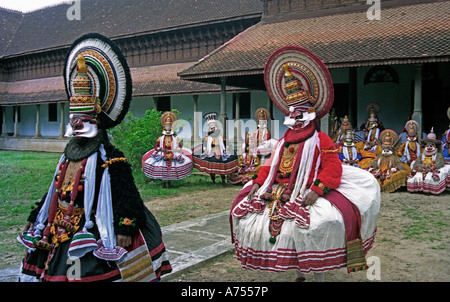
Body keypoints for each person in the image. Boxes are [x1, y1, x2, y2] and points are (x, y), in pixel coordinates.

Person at [17, 33, 172, 282]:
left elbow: (127, 193)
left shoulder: (111, 158)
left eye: (82, 122)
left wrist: (126, 226)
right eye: (73, 122)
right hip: (60, 226)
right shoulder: (67, 156)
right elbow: (56, 190)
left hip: (97, 227)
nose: (76, 127)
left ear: (96, 122)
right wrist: (35, 217)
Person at [231, 46, 380, 282]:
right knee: (261, 222)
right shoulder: (282, 142)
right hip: (278, 191)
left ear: (310, 114)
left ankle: (317, 278)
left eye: (301, 114)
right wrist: (257, 184)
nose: (296, 120)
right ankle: (300, 275)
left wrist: (317, 189)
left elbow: (333, 169)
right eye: (293, 115)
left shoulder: (321, 139)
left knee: (314, 229)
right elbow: (270, 167)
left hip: (309, 190)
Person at [142, 111, 193, 187]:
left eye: (169, 127)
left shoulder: (175, 138)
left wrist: (177, 149)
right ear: (164, 127)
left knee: (170, 169)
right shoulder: (160, 138)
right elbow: (156, 147)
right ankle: (163, 183)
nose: (168, 128)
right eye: (167, 127)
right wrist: (160, 149)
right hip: (163, 153)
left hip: (173, 153)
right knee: (163, 169)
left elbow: (180, 147)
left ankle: (169, 183)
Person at [192, 112, 238, 183]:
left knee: (224, 161)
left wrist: (227, 146)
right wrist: (205, 148)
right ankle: (213, 180)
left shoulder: (221, 136)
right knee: (211, 165)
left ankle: (223, 179)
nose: (213, 129)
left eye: (214, 127)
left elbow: (225, 142)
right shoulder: (208, 137)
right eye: (211, 128)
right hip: (212, 151)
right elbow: (205, 143)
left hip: (221, 150)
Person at [407, 128, 449, 195]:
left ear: (435, 147)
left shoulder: (438, 154)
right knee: (417, 176)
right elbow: (417, 162)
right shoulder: (422, 154)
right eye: (428, 145)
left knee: (430, 177)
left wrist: (431, 168)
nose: (429, 147)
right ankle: (419, 189)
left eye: (431, 146)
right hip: (422, 169)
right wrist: (420, 167)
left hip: (432, 170)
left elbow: (440, 162)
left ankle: (429, 190)